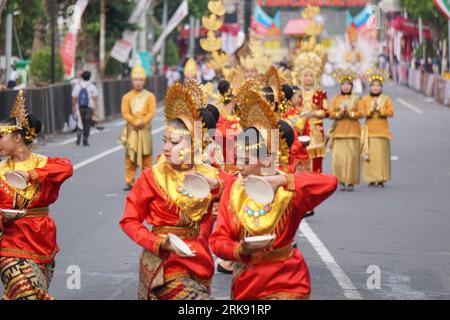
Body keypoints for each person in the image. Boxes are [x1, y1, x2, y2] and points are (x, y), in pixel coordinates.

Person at [209, 88, 338, 300]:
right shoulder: (234, 189)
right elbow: (218, 240)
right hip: (249, 281)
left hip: (288, 279)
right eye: (238, 158)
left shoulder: (286, 189)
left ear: (267, 159)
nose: (239, 166)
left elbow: (329, 182)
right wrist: (238, 250)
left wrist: (284, 180)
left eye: (247, 160)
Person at [119, 81, 223, 300]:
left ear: (193, 145)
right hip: (165, 263)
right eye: (165, 140)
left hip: (198, 259)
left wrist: (217, 188)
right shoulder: (152, 176)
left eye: (174, 142)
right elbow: (129, 221)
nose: (166, 147)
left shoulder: (210, 175)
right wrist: (157, 242)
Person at [0, 90, 73, 300]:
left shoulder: (43, 163)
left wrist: (31, 174)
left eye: (1, 136)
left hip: (43, 240)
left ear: (17, 137)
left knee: (33, 293)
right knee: (26, 293)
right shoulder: (1, 171)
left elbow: (66, 168)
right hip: (11, 243)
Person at [120, 65, 156, 191]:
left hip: (145, 130)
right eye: (136, 80)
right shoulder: (126, 97)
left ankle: (147, 181)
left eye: (140, 80)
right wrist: (135, 121)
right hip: (132, 130)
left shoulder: (150, 96)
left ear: (144, 81)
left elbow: (151, 113)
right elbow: (125, 113)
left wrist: (143, 121)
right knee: (130, 156)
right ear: (132, 81)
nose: (138, 82)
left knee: (147, 156)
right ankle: (129, 181)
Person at [294, 51, 329, 173]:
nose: (308, 78)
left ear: (316, 77)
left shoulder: (320, 93)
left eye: (311, 75)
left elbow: (326, 112)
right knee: (300, 156)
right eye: (305, 75)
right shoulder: (296, 93)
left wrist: (312, 114)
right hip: (301, 128)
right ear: (300, 77)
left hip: (316, 129)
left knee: (316, 158)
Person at [328, 69, 363, 192]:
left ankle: (351, 182)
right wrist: (339, 114)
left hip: (353, 132)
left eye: (348, 84)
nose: (346, 86)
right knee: (338, 158)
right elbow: (330, 113)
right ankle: (341, 181)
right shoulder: (336, 98)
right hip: (339, 132)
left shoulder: (357, 99)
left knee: (352, 158)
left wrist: (351, 113)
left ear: (352, 86)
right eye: (343, 84)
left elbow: (361, 113)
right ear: (340, 85)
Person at [361, 68, 394, 188]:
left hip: (382, 131)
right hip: (369, 130)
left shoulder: (386, 99)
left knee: (381, 156)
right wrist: (371, 110)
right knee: (370, 156)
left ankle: (381, 178)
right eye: (373, 85)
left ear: (381, 87)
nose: (375, 88)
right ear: (369, 87)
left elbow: (391, 112)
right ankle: (370, 178)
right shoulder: (365, 99)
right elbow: (362, 112)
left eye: (378, 86)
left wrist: (380, 110)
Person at [71, 70, 99, 146]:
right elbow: (95, 98)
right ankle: (85, 139)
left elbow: (74, 97)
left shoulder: (77, 86)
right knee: (87, 123)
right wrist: (96, 109)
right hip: (89, 107)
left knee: (80, 122)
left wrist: (73, 106)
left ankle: (79, 133)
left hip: (79, 106)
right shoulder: (92, 86)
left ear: (82, 76)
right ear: (89, 77)